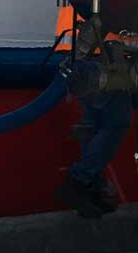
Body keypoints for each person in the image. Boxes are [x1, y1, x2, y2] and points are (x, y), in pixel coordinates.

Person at [54, 83, 132, 218]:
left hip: (85, 70)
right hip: (106, 69)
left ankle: (91, 189)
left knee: (93, 123)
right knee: (116, 123)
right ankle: (80, 180)